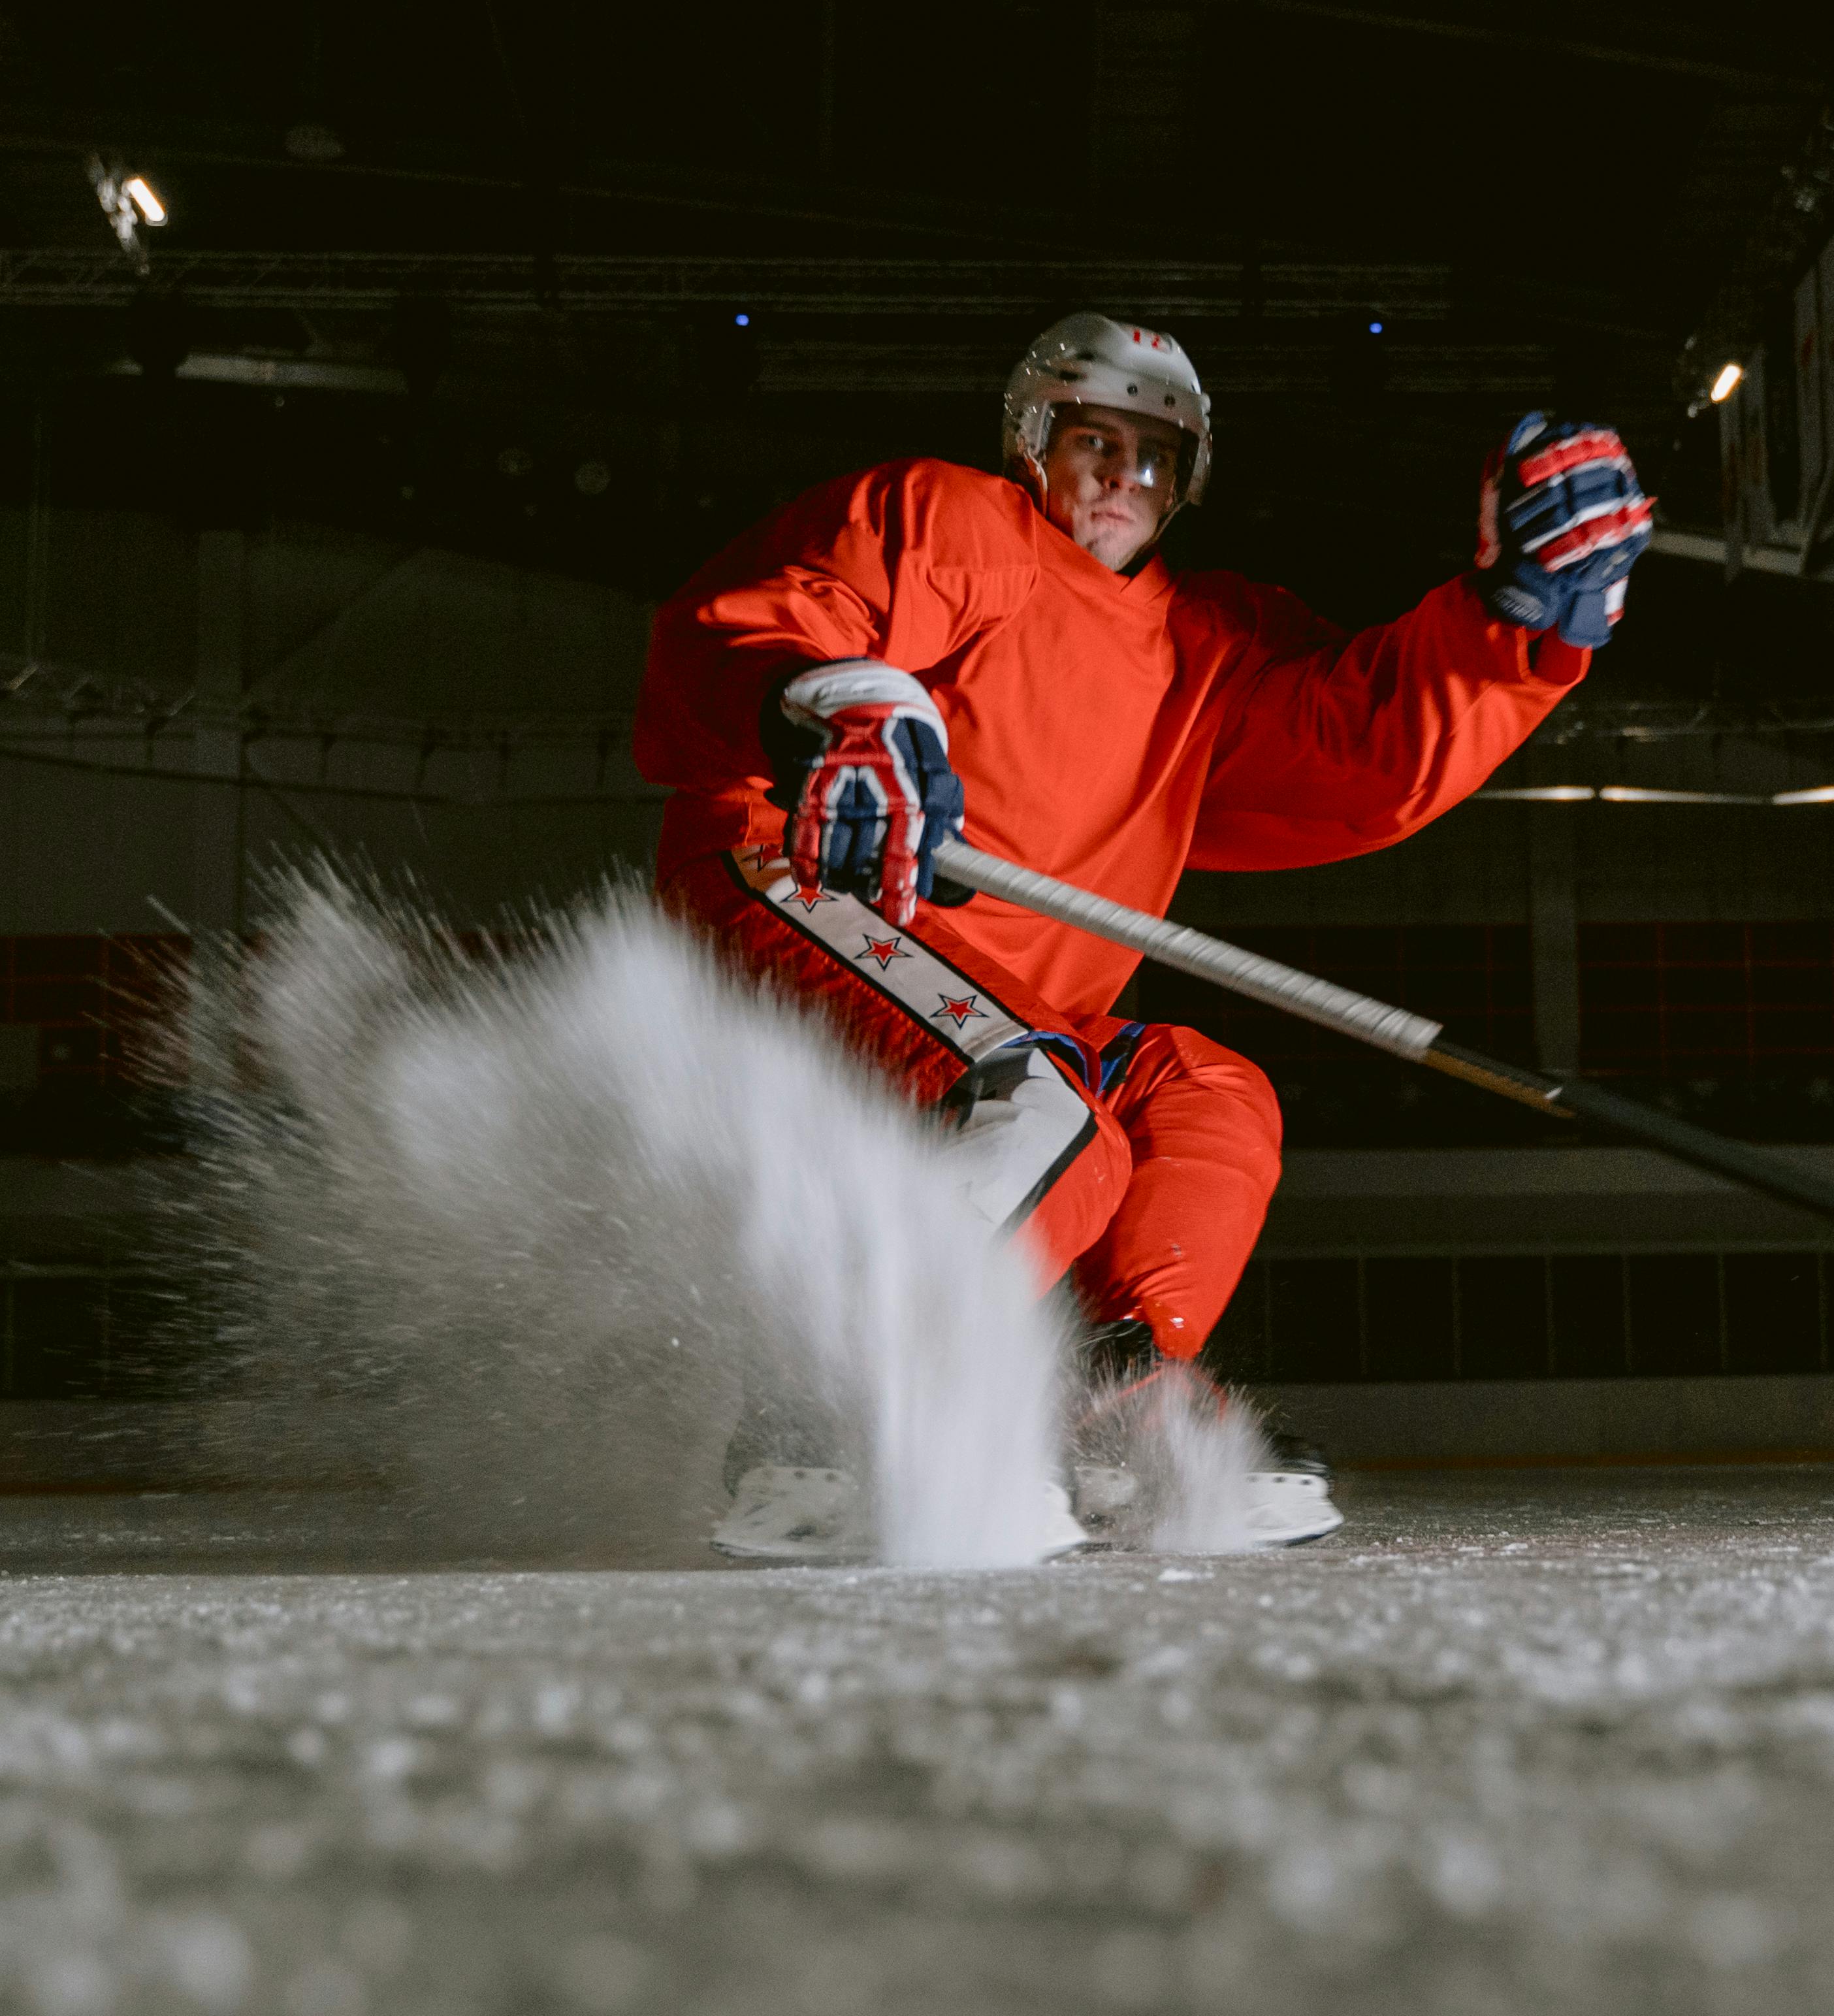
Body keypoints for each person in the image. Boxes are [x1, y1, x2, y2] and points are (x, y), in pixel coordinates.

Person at [632, 312, 1652, 1556]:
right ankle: (817, 1413)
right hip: (806, 891)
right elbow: (781, 610)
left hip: (1007, 1009)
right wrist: (841, 707)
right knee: (1054, 1111)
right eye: (1092, 440)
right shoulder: (953, 521)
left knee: (1206, 1097)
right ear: (1030, 440)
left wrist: (1515, 626)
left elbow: (1364, 744)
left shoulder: (1202, 648)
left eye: (1156, 454)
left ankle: (1103, 1405)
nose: (1124, 474)